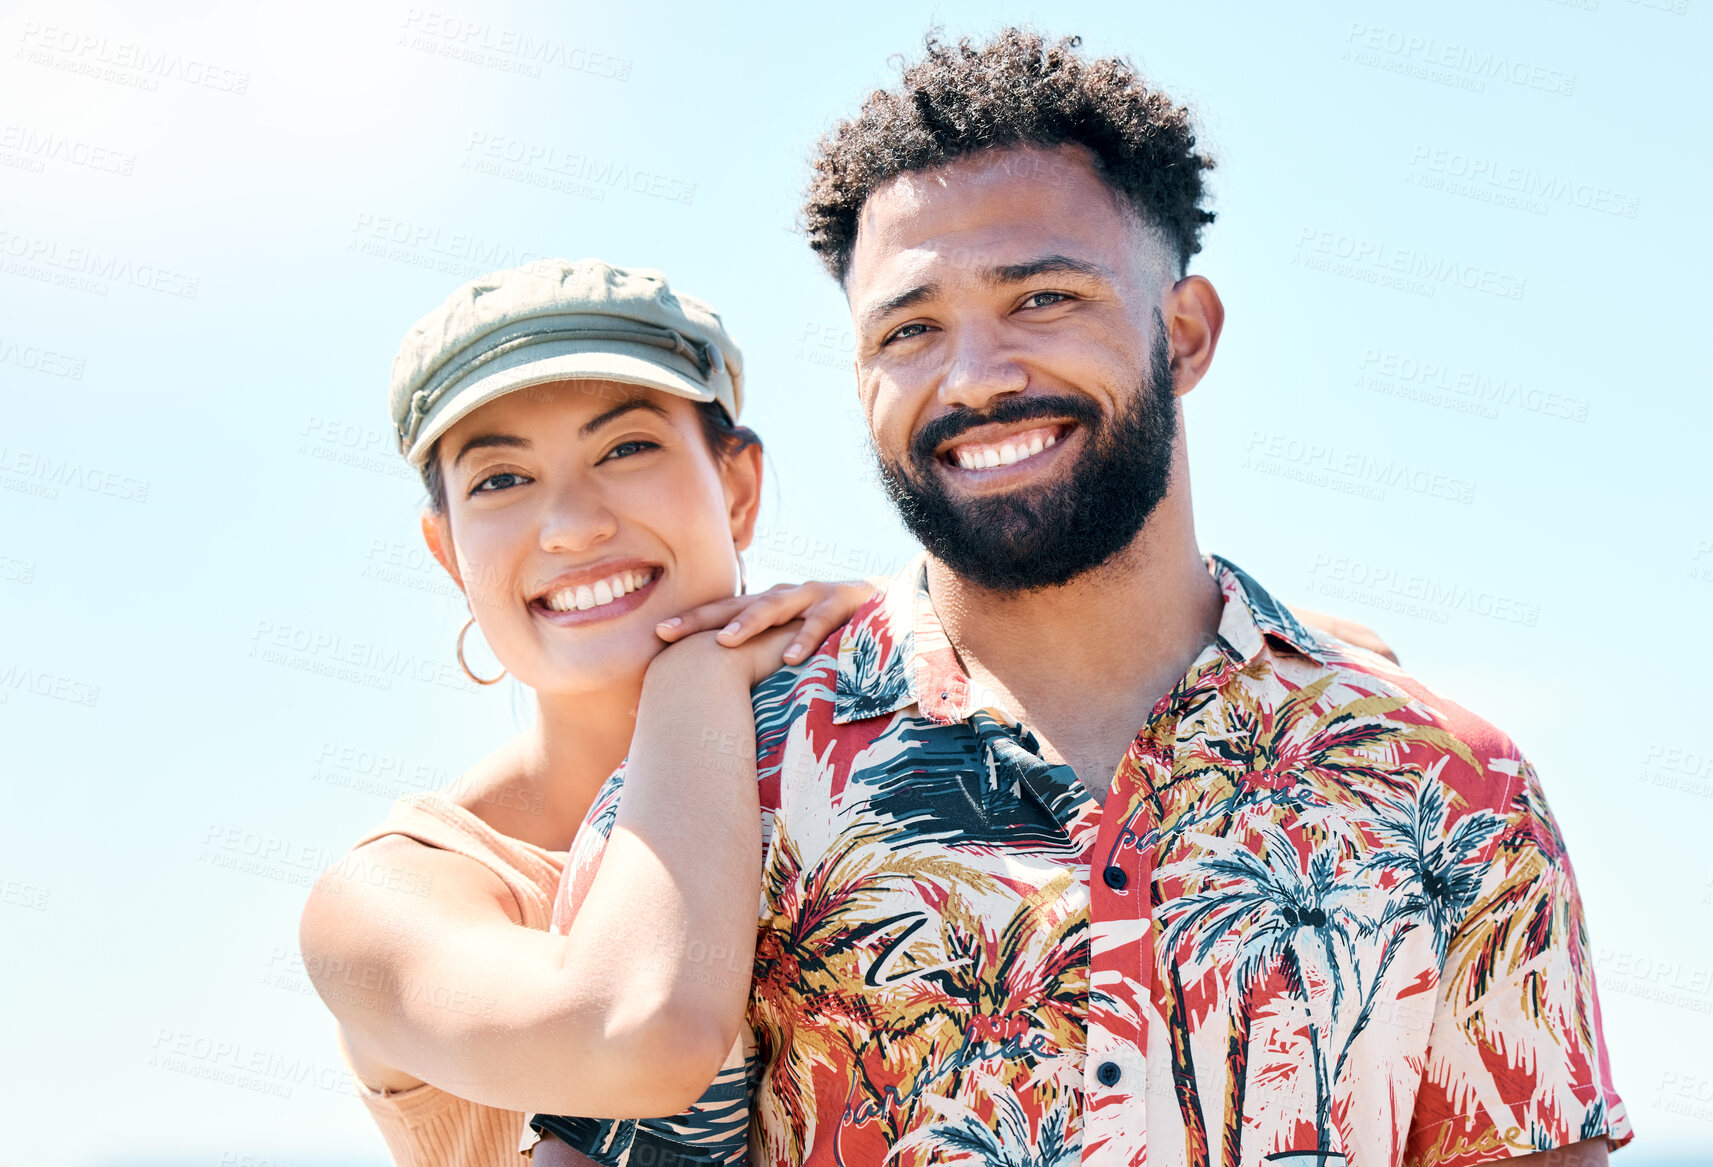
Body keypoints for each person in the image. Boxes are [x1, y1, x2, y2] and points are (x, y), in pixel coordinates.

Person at [530, 29, 1631, 1167]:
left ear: (1187, 332)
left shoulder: (1448, 785)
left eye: (1043, 298)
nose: (975, 377)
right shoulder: (724, 791)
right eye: (908, 330)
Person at [298, 258, 882, 1167]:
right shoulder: (391, 899)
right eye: (499, 479)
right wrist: (695, 678)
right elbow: (636, 1032)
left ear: (738, 488)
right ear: (448, 552)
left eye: (625, 449)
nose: (571, 524)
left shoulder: (885, 740)